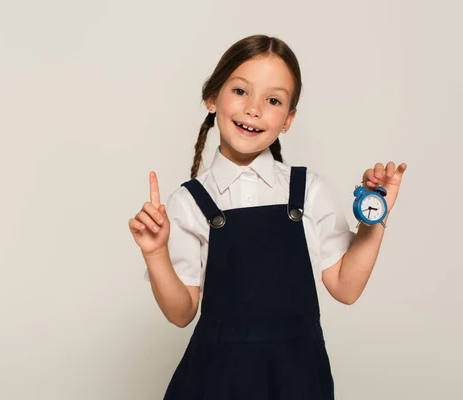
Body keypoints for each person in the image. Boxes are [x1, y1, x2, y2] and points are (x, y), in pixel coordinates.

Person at [128, 34, 407, 399]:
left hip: (298, 382)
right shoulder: (189, 202)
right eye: (240, 91)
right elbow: (182, 312)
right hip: (215, 384)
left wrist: (375, 219)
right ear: (212, 98)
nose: (254, 109)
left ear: (288, 119)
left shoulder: (307, 191)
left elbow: (346, 286)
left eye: (273, 100)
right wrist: (155, 253)